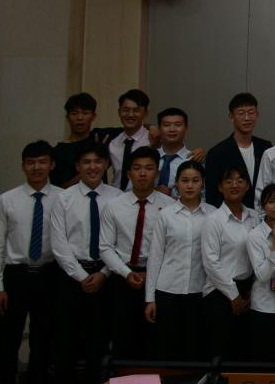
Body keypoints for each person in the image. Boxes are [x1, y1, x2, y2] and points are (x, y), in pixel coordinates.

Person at [0, 141, 63, 384]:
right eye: (30, 163)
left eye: (42, 162)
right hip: (15, 276)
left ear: (52, 165)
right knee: (8, 340)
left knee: (43, 340)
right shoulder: (7, 200)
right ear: (23, 166)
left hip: (49, 275)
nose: (36, 167)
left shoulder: (63, 198)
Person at [49, 142, 121, 384]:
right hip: (71, 276)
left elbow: (122, 242)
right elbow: (59, 243)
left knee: (99, 339)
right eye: (87, 162)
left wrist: (104, 273)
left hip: (106, 275)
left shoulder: (118, 198)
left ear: (106, 164)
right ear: (78, 166)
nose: (93, 167)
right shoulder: (63, 198)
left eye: (98, 161)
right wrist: (81, 276)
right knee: (66, 338)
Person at [99, 146, 172, 360]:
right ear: (129, 173)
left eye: (149, 168)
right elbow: (105, 247)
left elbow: (172, 248)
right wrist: (126, 273)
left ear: (157, 172)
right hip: (122, 278)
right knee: (123, 338)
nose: (142, 173)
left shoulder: (170, 207)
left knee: (154, 338)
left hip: (157, 279)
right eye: (137, 168)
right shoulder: (114, 206)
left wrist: (152, 274)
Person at [144, 160, 214, 362]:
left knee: (194, 349)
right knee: (167, 348)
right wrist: (150, 299)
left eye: (195, 180)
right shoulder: (166, 215)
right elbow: (155, 256)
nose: (190, 186)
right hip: (168, 290)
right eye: (184, 180)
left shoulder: (213, 214)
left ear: (203, 183)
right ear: (176, 183)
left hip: (200, 291)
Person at [200, 166, 257, 360]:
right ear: (219, 187)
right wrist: (233, 295)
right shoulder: (213, 220)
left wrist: (251, 289)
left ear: (247, 186)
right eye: (229, 181)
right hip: (220, 291)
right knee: (221, 350)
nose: (235, 185)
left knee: (243, 351)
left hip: (247, 290)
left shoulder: (254, 217)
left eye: (240, 181)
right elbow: (210, 261)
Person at [246, 183, 275, 362]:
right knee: (264, 360)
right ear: (263, 206)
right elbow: (262, 275)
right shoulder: (255, 236)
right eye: (271, 201)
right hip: (263, 305)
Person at [206, 92, 272, 209]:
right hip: (231, 215)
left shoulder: (265, 147)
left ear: (257, 115)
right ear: (231, 117)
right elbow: (212, 196)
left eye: (251, 112)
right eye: (241, 113)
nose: (247, 118)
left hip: (263, 214)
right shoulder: (217, 153)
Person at [51, 93, 117, 189]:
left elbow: (134, 130)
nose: (80, 118)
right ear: (67, 117)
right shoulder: (58, 151)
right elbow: (59, 189)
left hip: (103, 195)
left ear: (93, 116)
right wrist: (87, 171)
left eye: (85, 113)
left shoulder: (102, 136)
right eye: (74, 113)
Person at [108, 89, 152, 191]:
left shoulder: (153, 140)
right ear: (119, 112)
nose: (130, 115)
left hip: (142, 197)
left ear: (145, 113)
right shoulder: (113, 142)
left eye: (136, 110)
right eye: (126, 110)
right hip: (115, 197)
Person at [153, 108, 193, 199]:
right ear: (159, 128)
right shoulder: (149, 157)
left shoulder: (193, 159)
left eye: (178, 125)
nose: (172, 129)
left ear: (186, 128)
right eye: (166, 125)